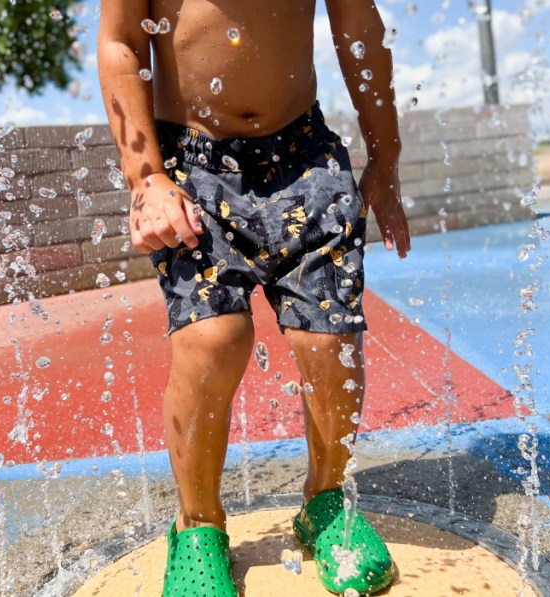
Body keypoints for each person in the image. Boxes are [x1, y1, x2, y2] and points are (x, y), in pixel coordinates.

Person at [98, 0, 410, 594]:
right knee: (211, 339)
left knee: (331, 343)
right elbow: (121, 44)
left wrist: (384, 159)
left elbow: (359, 30)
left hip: (305, 158)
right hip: (190, 167)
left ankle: (324, 500)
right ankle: (197, 525)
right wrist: (145, 178)